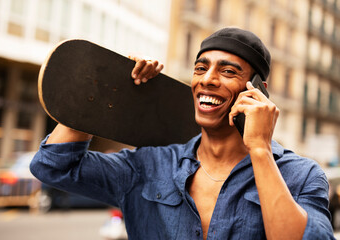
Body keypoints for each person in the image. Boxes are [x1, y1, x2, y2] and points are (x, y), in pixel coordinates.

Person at [30, 27, 335, 239]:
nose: (208, 79)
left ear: (256, 91)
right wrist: (112, 92)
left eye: (228, 71)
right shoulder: (148, 166)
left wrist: (260, 150)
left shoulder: (301, 176)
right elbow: (53, 167)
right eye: (201, 68)